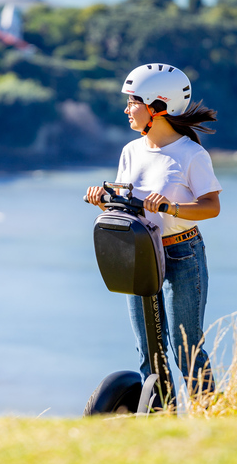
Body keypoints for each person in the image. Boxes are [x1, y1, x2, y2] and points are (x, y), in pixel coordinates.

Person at [85, 63, 221, 400]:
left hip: (182, 255)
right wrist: (104, 202)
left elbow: (211, 206)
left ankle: (212, 419)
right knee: (148, 351)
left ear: (157, 107)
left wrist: (171, 208)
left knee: (185, 350)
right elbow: (128, 207)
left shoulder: (191, 155)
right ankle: (162, 419)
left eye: (132, 101)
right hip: (139, 253)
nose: (126, 109)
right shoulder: (131, 151)